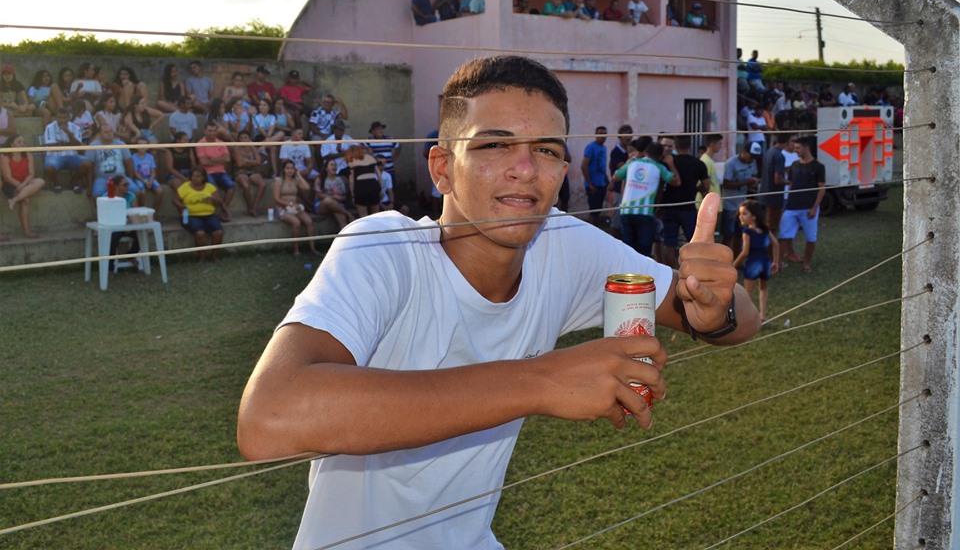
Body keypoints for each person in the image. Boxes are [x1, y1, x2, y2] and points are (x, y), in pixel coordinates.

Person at [237, 55, 759, 550]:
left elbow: (734, 319)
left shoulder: (561, 244)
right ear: (442, 168)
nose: (526, 169)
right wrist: (542, 380)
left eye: (548, 150)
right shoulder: (384, 249)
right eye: (494, 146)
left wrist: (714, 308)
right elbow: (269, 418)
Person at [609, 140, 679, 258]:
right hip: (644, 213)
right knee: (644, 249)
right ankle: (641, 273)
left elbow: (615, 177)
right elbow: (676, 181)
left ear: (646, 152)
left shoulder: (632, 163)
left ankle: (628, 271)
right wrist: (671, 164)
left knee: (628, 247)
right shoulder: (659, 167)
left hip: (626, 211)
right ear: (661, 156)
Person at [659, 134, 710, 268]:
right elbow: (706, 186)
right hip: (688, 207)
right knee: (693, 240)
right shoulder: (698, 164)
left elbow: (660, 183)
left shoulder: (668, 162)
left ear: (675, 146)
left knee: (669, 242)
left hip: (668, 206)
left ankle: (669, 270)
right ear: (690, 145)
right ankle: (695, 268)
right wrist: (695, 188)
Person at [779, 136, 825, 273]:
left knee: (811, 237)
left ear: (806, 147)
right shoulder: (794, 165)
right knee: (784, 236)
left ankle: (806, 263)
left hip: (808, 208)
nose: (796, 151)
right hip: (791, 207)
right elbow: (792, 185)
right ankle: (778, 262)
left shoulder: (818, 166)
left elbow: (821, 188)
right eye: (794, 148)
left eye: (798, 148)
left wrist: (814, 208)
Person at [732, 199, 779, 322]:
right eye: (740, 214)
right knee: (763, 288)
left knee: (748, 292)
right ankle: (762, 315)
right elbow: (776, 244)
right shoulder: (765, 229)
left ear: (754, 216)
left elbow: (745, 252)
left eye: (744, 214)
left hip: (753, 264)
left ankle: (748, 317)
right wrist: (776, 261)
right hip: (766, 263)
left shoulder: (747, 232)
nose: (740, 217)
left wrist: (733, 265)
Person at [174, 166, 224, 262]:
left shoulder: (210, 187)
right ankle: (202, 257)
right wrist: (181, 207)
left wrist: (213, 199)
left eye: (198, 176)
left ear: (203, 177)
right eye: (193, 176)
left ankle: (214, 256)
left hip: (209, 215)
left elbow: (220, 202)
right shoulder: (185, 186)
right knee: (200, 233)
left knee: (219, 232)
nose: (195, 178)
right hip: (190, 216)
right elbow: (175, 200)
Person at [1, 134, 45, 239]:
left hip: (25, 183)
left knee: (40, 181)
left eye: (23, 142)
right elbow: (7, 177)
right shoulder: (4, 157)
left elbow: (31, 174)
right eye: (19, 142)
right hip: (11, 184)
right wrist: (19, 186)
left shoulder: (28, 155)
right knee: (26, 199)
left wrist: (23, 185)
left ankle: (15, 200)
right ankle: (27, 231)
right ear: (12, 145)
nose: (23, 144)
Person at [273, 159, 320, 256]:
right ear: (283, 170)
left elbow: (307, 187)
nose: (290, 170)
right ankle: (296, 250)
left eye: (292, 168)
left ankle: (312, 248)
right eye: (287, 168)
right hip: (282, 207)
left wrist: (299, 175)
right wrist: (288, 204)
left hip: (294, 207)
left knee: (309, 221)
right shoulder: (278, 181)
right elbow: (276, 198)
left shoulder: (296, 180)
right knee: (296, 222)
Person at [720, 143, 759, 251]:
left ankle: (737, 260)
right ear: (744, 152)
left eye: (755, 157)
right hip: (730, 204)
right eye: (751, 156)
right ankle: (723, 259)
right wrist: (747, 182)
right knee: (728, 233)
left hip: (743, 203)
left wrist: (752, 185)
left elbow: (753, 176)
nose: (752, 159)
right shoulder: (731, 163)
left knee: (741, 233)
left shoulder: (752, 162)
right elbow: (726, 184)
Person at [43, 107, 92, 193]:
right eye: (59, 118)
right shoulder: (49, 127)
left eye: (64, 118)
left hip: (72, 155)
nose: (62, 120)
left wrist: (69, 133)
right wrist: (68, 144)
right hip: (55, 156)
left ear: (68, 118)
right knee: (49, 168)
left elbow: (77, 146)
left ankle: (74, 180)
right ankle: (56, 183)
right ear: (56, 118)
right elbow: (51, 146)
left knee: (87, 164)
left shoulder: (75, 127)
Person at [86, 123, 140, 198]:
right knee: (96, 196)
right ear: (100, 134)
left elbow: (129, 163)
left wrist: (129, 179)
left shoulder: (121, 144)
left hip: (121, 177)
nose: (109, 134)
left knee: (137, 192)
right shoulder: (93, 146)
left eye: (111, 131)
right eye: (106, 132)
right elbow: (89, 167)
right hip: (102, 178)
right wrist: (90, 186)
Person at [195, 121, 235, 221]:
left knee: (231, 187)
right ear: (205, 131)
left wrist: (212, 160)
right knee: (214, 188)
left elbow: (227, 159)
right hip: (207, 172)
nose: (212, 133)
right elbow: (204, 162)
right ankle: (225, 211)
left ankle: (222, 211)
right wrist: (219, 160)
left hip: (221, 171)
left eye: (214, 131)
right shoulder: (200, 144)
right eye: (209, 131)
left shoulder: (221, 143)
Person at [758, 133, 790, 237]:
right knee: (771, 229)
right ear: (787, 142)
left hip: (764, 194)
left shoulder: (769, 151)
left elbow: (770, 171)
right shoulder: (780, 156)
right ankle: (770, 252)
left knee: (763, 226)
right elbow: (777, 180)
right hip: (774, 198)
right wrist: (789, 182)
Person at [232, 130, 267, 217]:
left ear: (249, 139)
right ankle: (250, 206)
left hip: (252, 170)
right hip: (239, 171)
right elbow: (239, 164)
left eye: (246, 138)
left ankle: (254, 207)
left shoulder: (253, 148)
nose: (244, 140)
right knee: (246, 186)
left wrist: (246, 161)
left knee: (262, 184)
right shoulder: (236, 148)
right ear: (239, 140)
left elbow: (259, 162)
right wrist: (252, 161)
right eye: (242, 138)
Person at [314, 158, 353, 229]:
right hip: (322, 205)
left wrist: (337, 199)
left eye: (335, 165)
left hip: (337, 205)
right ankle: (348, 213)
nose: (334, 167)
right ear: (326, 168)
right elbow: (318, 194)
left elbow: (343, 196)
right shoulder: (320, 179)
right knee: (328, 200)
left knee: (342, 218)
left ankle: (346, 238)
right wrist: (334, 197)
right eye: (332, 165)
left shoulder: (340, 180)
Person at [581, 125, 608, 226]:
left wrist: (607, 181)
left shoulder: (604, 148)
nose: (603, 136)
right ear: (596, 135)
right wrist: (590, 184)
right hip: (593, 185)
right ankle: (590, 233)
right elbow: (583, 166)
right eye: (600, 133)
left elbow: (603, 167)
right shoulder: (591, 147)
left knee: (598, 211)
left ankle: (596, 232)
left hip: (602, 184)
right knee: (593, 211)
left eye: (605, 134)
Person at [345, 144, 381, 218]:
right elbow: (379, 176)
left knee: (363, 216)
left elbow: (351, 180)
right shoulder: (371, 158)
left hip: (360, 186)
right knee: (376, 215)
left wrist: (353, 195)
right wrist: (379, 189)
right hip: (373, 184)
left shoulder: (352, 161)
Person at [130, 138, 164, 211]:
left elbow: (153, 171)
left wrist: (151, 181)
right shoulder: (133, 157)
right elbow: (136, 173)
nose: (142, 147)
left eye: (144, 145)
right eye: (139, 145)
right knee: (142, 192)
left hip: (149, 178)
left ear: (148, 147)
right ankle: (142, 210)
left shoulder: (150, 157)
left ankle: (155, 211)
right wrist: (145, 182)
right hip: (139, 178)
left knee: (160, 190)